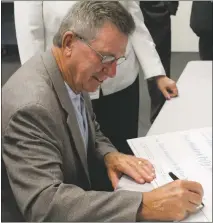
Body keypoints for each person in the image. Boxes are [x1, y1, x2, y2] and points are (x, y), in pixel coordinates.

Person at [2, 2, 203, 222]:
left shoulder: (74, 73)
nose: (113, 71)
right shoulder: (32, 108)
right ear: (69, 42)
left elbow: (89, 129)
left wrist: (109, 155)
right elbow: (45, 206)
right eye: (107, 58)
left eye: (118, 60)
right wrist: (144, 205)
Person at [14, 1, 178, 155]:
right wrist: (38, 85)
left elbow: (133, 18)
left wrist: (157, 73)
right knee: (78, 157)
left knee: (123, 153)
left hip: (121, 80)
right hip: (70, 83)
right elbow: (30, 32)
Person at [140, 1, 179, 123]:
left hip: (154, 9)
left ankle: (159, 119)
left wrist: (167, 5)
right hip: (117, 12)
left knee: (160, 66)